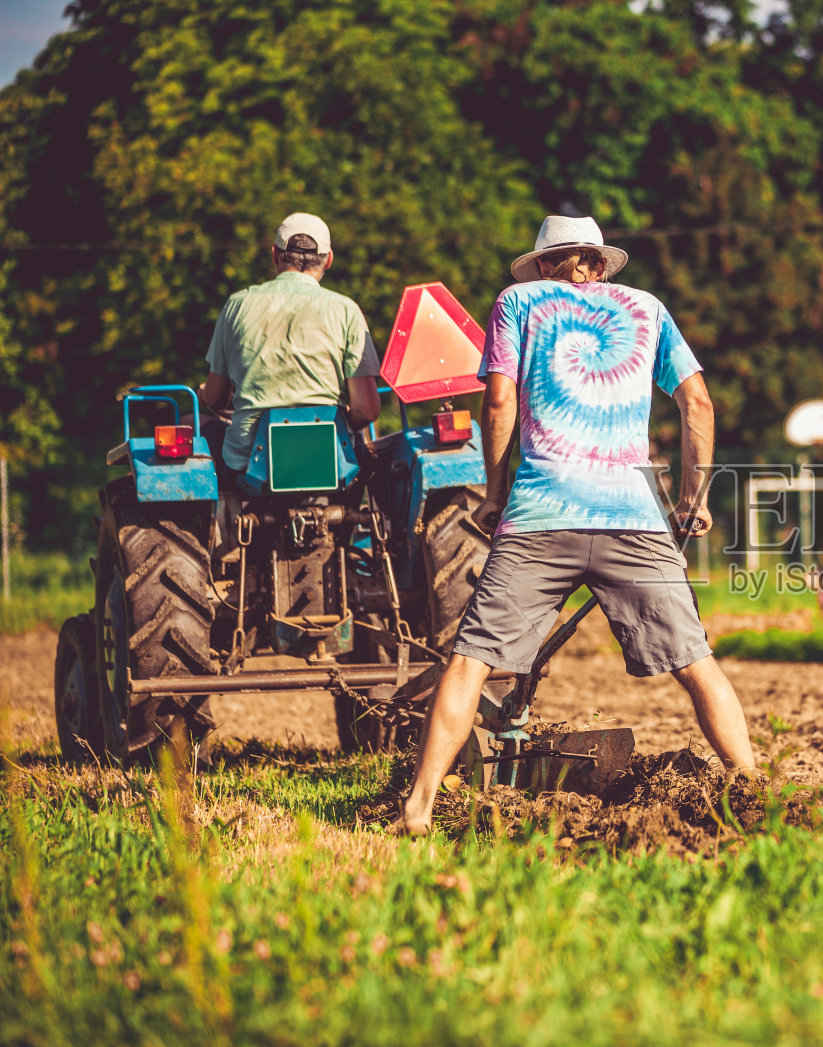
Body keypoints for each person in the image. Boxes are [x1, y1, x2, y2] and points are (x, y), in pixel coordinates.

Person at [395, 215, 755, 835]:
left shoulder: (519, 302)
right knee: (696, 663)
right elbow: (697, 401)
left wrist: (496, 493)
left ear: (543, 264)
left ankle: (419, 808)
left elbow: (500, 400)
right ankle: (756, 792)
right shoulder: (647, 308)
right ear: (597, 263)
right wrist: (693, 499)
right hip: (634, 518)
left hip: (541, 514)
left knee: (472, 659)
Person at [198, 213, 382, 482]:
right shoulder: (346, 311)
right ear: (329, 259)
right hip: (330, 459)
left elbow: (215, 399)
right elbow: (366, 410)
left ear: (274, 254)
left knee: (194, 423)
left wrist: (204, 396)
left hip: (248, 463)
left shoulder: (237, 306)